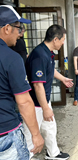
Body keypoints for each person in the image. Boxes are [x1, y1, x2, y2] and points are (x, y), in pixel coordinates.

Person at [0, 5, 44, 160]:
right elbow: (24, 102)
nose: (20, 34)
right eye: (18, 28)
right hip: (5, 133)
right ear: (6, 28)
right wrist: (36, 134)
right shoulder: (11, 58)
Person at [24, 24, 73, 160]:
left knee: (50, 127)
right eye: (63, 40)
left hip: (44, 101)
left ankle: (53, 153)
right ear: (55, 39)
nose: (63, 43)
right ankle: (26, 156)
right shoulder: (39, 55)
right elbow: (38, 85)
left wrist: (63, 79)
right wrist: (45, 108)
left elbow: (51, 70)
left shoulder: (48, 52)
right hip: (34, 104)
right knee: (30, 134)